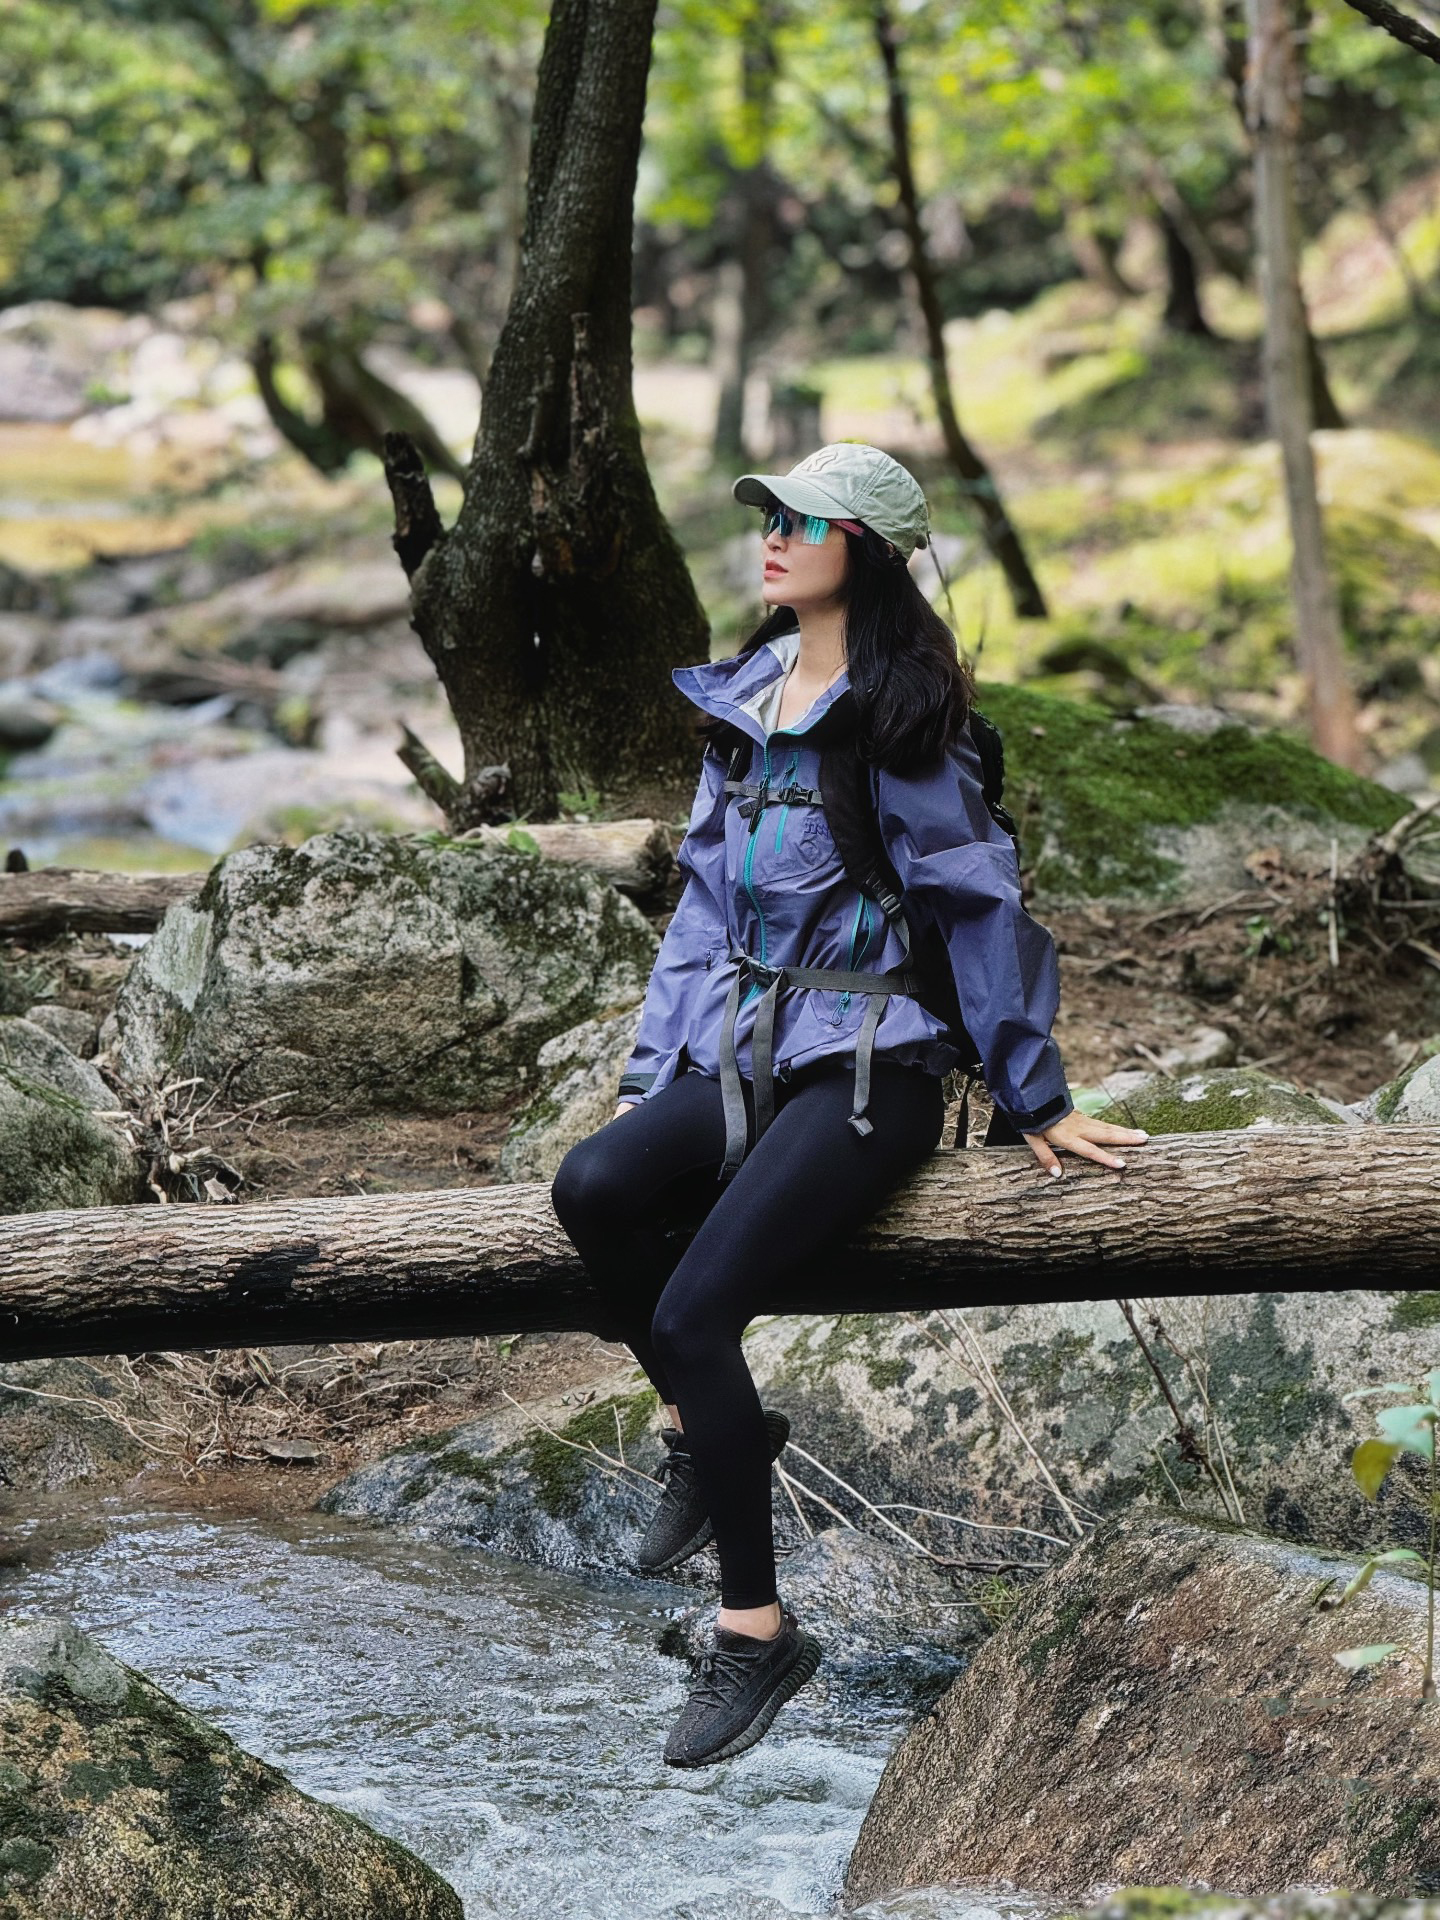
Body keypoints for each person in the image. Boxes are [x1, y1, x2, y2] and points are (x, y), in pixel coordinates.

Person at [550, 442, 1148, 1771]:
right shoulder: (746, 700)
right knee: (591, 1186)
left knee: (694, 1312)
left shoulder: (903, 716)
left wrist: (1034, 1095)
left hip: (878, 1068)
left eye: (802, 521)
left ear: (862, 552)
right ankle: (708, 1433)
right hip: (751, 1052)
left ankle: (755, 1632)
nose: (771, 535)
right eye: (768, 514)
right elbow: (703, 920)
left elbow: (979, 905)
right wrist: (655, 1083)